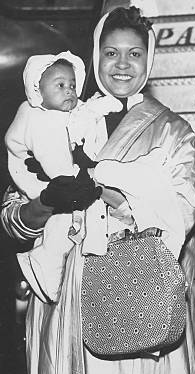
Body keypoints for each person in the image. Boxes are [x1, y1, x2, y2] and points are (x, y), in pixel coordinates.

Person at [1, 6, 195, 374]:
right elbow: (14, 216)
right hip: (63, 307)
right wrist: (43, 206)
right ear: (95, 58)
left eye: (135, 53)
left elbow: (182, 205)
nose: (123, 64)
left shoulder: (173, 131)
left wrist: (116, 200)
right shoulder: (60, 115)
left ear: (151, 60)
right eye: (111, 53)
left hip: (129, 300)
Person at [4, 52, 119, 303]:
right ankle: (43, 267)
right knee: (59, 231)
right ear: (37, 89)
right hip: (46, 187)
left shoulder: (72, 113)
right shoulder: (34, 116)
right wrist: (66, 178)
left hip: (78, 198)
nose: (69, 90)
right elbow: (48, 155)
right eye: (60, 85)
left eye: (73, 85)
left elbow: (87, 123)